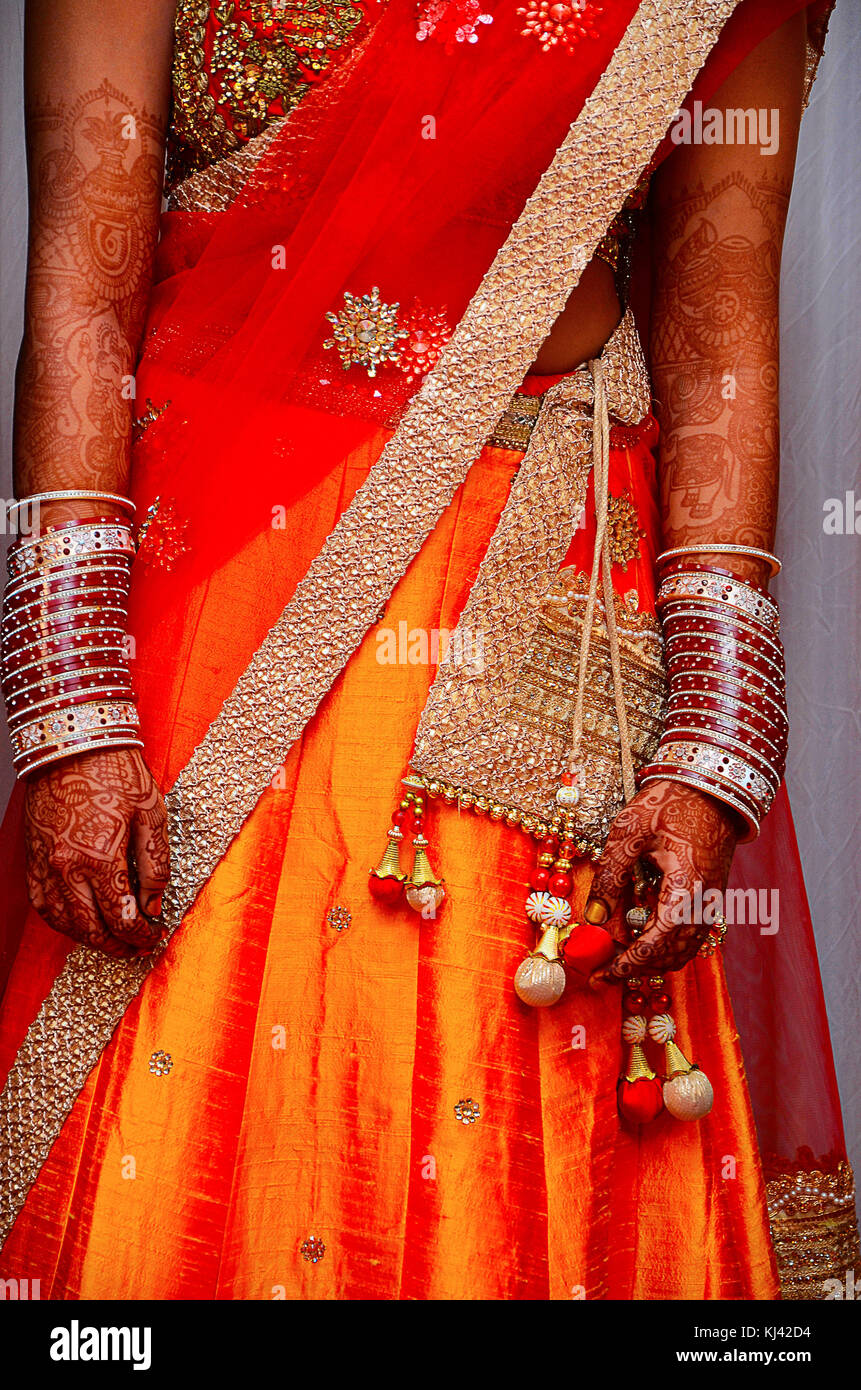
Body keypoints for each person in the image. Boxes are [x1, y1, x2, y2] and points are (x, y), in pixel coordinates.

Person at [0, 0, 855, 1300]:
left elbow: (716, 319)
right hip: (210, 591)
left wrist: (716, 730)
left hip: (531, 606)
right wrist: (67, 698)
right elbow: (81, 273)